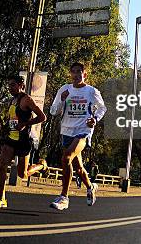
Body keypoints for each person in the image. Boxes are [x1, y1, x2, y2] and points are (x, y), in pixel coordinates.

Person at [48, 62, 107, 210]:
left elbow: (102, 108)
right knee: (78, 168)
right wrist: (62, 99)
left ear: (84, 74)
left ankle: (64, 197)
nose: (76, 74)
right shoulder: (64, 89)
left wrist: (95, 119)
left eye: (79, 71)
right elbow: (53, 111)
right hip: (67, 131)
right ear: (70, 74)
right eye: (73, 72)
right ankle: (90, 186)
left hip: (83, 130)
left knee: (66, 157)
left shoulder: (91, 91)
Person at [0, 75, 47, 208]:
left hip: (23, 141)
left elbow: (42, 117)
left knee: (22, 174)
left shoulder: (27, 100)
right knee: (1, 166)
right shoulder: (12, 101)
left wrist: (25, 123)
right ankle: (2, 199)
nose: (10, 88)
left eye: (13, 85)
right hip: (11, 139)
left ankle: (42, 165)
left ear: (21, 85)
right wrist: (5, 127)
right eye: (9, 85)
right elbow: (11, 118)